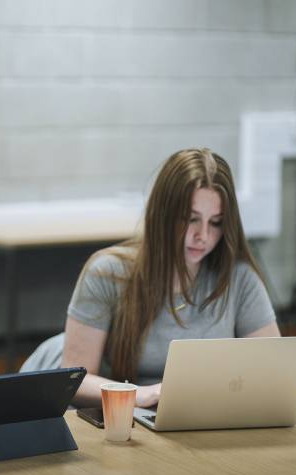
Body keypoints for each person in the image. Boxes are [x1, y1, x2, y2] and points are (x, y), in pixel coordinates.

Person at [21, 148, 280, 408]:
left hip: (186, 413)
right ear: (162, 215)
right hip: (116, 409)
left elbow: (275, 372)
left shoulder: (238, 277)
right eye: (191, 219)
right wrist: (143, 394)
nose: (203, 235)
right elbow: (75, 379)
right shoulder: (107, 272)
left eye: (215, 222)